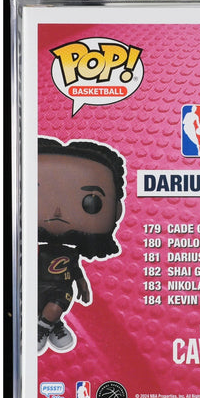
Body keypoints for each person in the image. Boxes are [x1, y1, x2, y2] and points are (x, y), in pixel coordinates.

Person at [37, 137, 125, 354]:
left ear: (117, 211)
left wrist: (83, 286)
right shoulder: (33, 250)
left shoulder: (71, 254)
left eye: (91, 202)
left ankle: (42, 327)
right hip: (35, 286)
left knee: (56, 305)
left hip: (61, 288)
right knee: (37, 306)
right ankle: (49, 325)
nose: (57, 212)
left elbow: (75, 270)